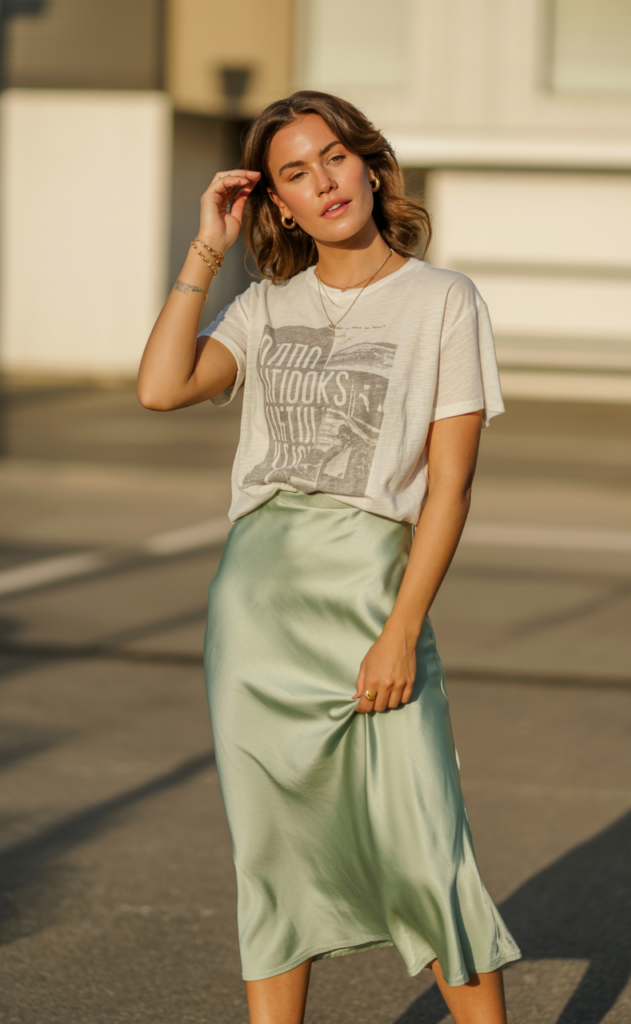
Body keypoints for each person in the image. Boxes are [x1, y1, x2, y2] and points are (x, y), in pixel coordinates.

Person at [137, 90, 521, 1024]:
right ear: (276, 202)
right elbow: (161, 387)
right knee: (271, 856)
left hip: (370, 594)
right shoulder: (263, 307)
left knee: (429, 852)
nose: (323, 183)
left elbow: (449, 488)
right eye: (294, 174)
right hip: (259, 606)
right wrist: (204, 251)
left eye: (334, 159)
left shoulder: (444, 300)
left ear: (371, 164)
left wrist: (401, 631)